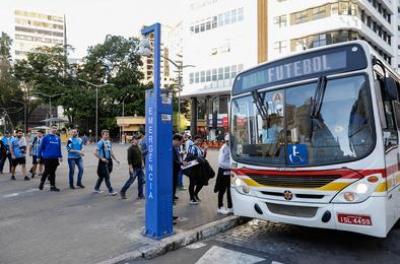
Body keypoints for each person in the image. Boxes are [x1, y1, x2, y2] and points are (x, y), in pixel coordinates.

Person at [186, 135, 213, 205]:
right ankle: (191, 198)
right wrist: (198, 158)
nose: (199, 141)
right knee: (192, 183)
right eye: (197, 140)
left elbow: (203, 157)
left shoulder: (199, 148)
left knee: (201, 181)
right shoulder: (192, 147)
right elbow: (190, 156)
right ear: (194, 140)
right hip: (193, 167)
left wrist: (205, 150)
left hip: (200, 167)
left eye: (200, 140)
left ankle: (195, 194)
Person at [93, 130, 119, 196]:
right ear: (102, 135)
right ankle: (111, 190)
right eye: (106, 134)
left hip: (109, 161)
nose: (107, 136)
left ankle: (96, 188)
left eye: (108, 134)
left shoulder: (108, 142)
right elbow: (95, 152)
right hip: (103, 162)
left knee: (102, 176)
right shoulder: (100, 143)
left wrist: (115, 160)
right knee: (107, 176)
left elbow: (111, 152)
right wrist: (102, 158)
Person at [38, 126, 63, 191]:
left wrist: (60, 156)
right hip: (47, 157)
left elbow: (59, 148)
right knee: (47, 171)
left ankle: (52, 186)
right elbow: (41, 148)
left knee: (53, 172)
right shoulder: (45, 137)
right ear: (50, 129)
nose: (54, 129)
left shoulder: (58, 138)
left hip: (55, 158)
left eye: (55, 128)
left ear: (57, 130)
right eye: (53, 128)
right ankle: (42, 183)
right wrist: (38, 156)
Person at [120, 135, 145, 199]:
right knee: (130, 181)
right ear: (133, 140)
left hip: (140, 167)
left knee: (141, 181)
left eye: (138, 139)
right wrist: (131, 168)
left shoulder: (138, 147)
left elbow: (141, 156)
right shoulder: (130, 149)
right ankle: (123, 191)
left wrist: (142, 163)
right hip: (134, 168)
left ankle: (140, 195)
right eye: (136, 139)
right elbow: (129, 159)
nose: (137, 140)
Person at [214, 134, 233, 214]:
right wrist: (232, 166)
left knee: (229, 190)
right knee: (222, 189)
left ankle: (230, 206)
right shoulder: (224, 148)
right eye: (227, 141)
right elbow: (221, 162)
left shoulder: (232, 147)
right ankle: (220, 206)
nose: (228, 142)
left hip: (230, 171)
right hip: (223, 171)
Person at [172, 134, 184, 202]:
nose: (181, 144)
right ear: (176, 140)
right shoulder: (171, 147)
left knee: (175, 183)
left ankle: (173, 195)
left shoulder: (175, 147)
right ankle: (171, 198)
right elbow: (173, 160)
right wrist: (181, 163)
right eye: (181, 142)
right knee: (172, 183)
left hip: (176, 168)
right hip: (173, 169)